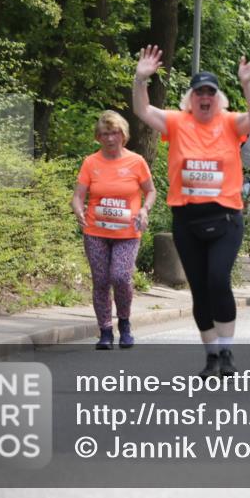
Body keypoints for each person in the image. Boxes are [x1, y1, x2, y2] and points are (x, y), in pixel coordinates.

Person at [132, 44, 250, 377]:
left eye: (210, 92)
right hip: (187, 218)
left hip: (225, 217)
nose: (204, 97)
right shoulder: (178, 122)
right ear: (191, 98)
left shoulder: (231, 123)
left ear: (218, 99)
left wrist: (247, 84)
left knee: (218, 279)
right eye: (199, 92)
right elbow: (143, 111)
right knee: (200, 288)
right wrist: (140, 79)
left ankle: (228, 352)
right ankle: (211, 355)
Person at [71, 111, 156, 350]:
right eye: (105, 134)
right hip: (96, 231)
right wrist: (78, 210)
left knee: (120, 276)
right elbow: (78, 196)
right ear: (98, 137)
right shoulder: (91, 162)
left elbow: (150, 191)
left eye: (115, 133)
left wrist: (144, 210)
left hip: (127, 233)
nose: (110, 138)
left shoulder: (136, 161)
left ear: (123, 135)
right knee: (100, 280)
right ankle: (105, 331)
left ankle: (125, 324)